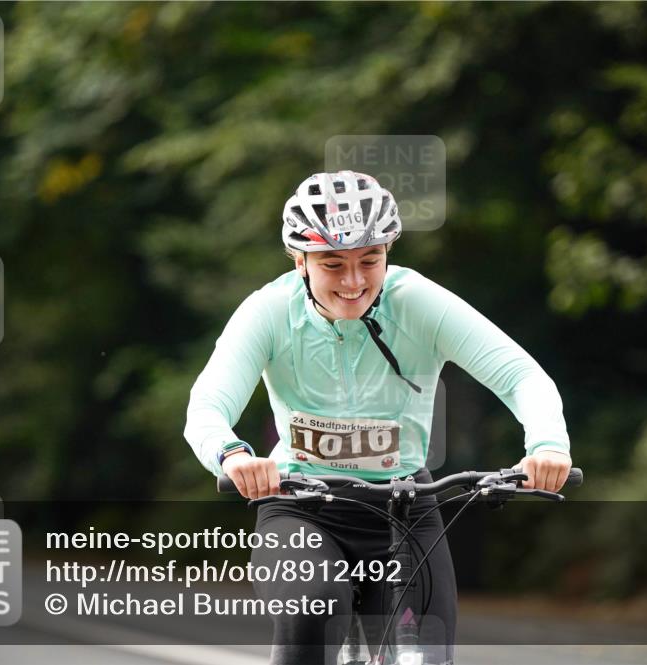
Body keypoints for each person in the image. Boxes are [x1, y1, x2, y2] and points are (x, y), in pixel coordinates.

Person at [185, 170, 572, 665]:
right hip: (302, 506)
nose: (354, 282)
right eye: (333, 264)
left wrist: (547, 444)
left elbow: (521, 375)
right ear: (300, 261)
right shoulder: (270, 311)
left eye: (370, 260)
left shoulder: (416, 301)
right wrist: (233, 455)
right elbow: (208, 405)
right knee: (313, 606)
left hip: (405, 507)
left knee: (428, 650)